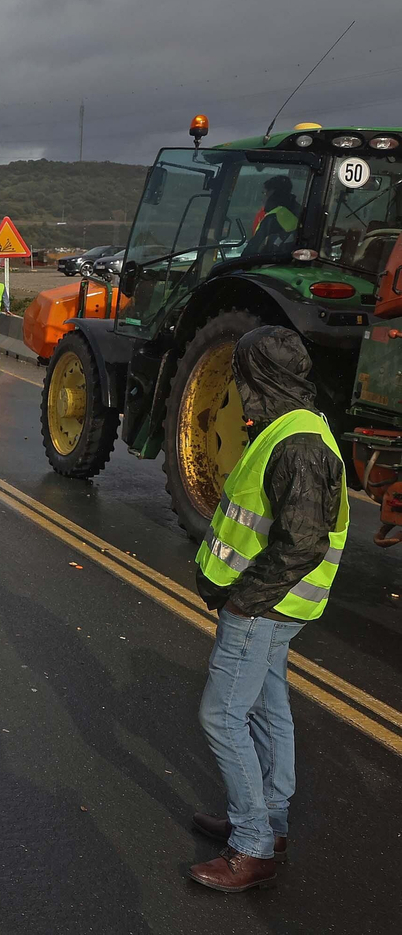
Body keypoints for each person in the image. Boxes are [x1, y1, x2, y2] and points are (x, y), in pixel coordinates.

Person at [188, 327, 348, 893]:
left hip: (265, 607)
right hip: (276, 606)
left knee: (221, 716)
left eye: (242, 372)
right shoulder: (292, 427)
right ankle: (269, 824)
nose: (237, 384)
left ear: (262, 376)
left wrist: (243, 600)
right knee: (264, 707)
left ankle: (252, 844)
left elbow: (302, 543)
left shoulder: (298, 444)